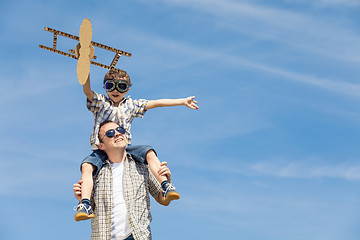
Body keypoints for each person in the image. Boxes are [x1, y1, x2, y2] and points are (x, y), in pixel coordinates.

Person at [74, 70, 199, 221]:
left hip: (125, 149)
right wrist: (84, 65)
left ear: (127, 89)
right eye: (110, 86)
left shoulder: (131, 105)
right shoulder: (100, 103)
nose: (115, 90)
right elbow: (86, 89)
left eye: (121, 86)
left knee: (149, 152)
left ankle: (165, 185)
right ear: (104, 87)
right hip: (101, 149)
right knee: (87, 166)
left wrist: (182, 101)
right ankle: (85, 204)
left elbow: (156, 103)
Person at [73, 120, 172, 240]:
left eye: (120, 130)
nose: (117, 134)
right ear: (101, 146)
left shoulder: (142, 167)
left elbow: (163, 200)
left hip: (137, 236)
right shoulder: (96, 173)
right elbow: (92, 210)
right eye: (110, 133)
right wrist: (81, 200)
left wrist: (167, 182)